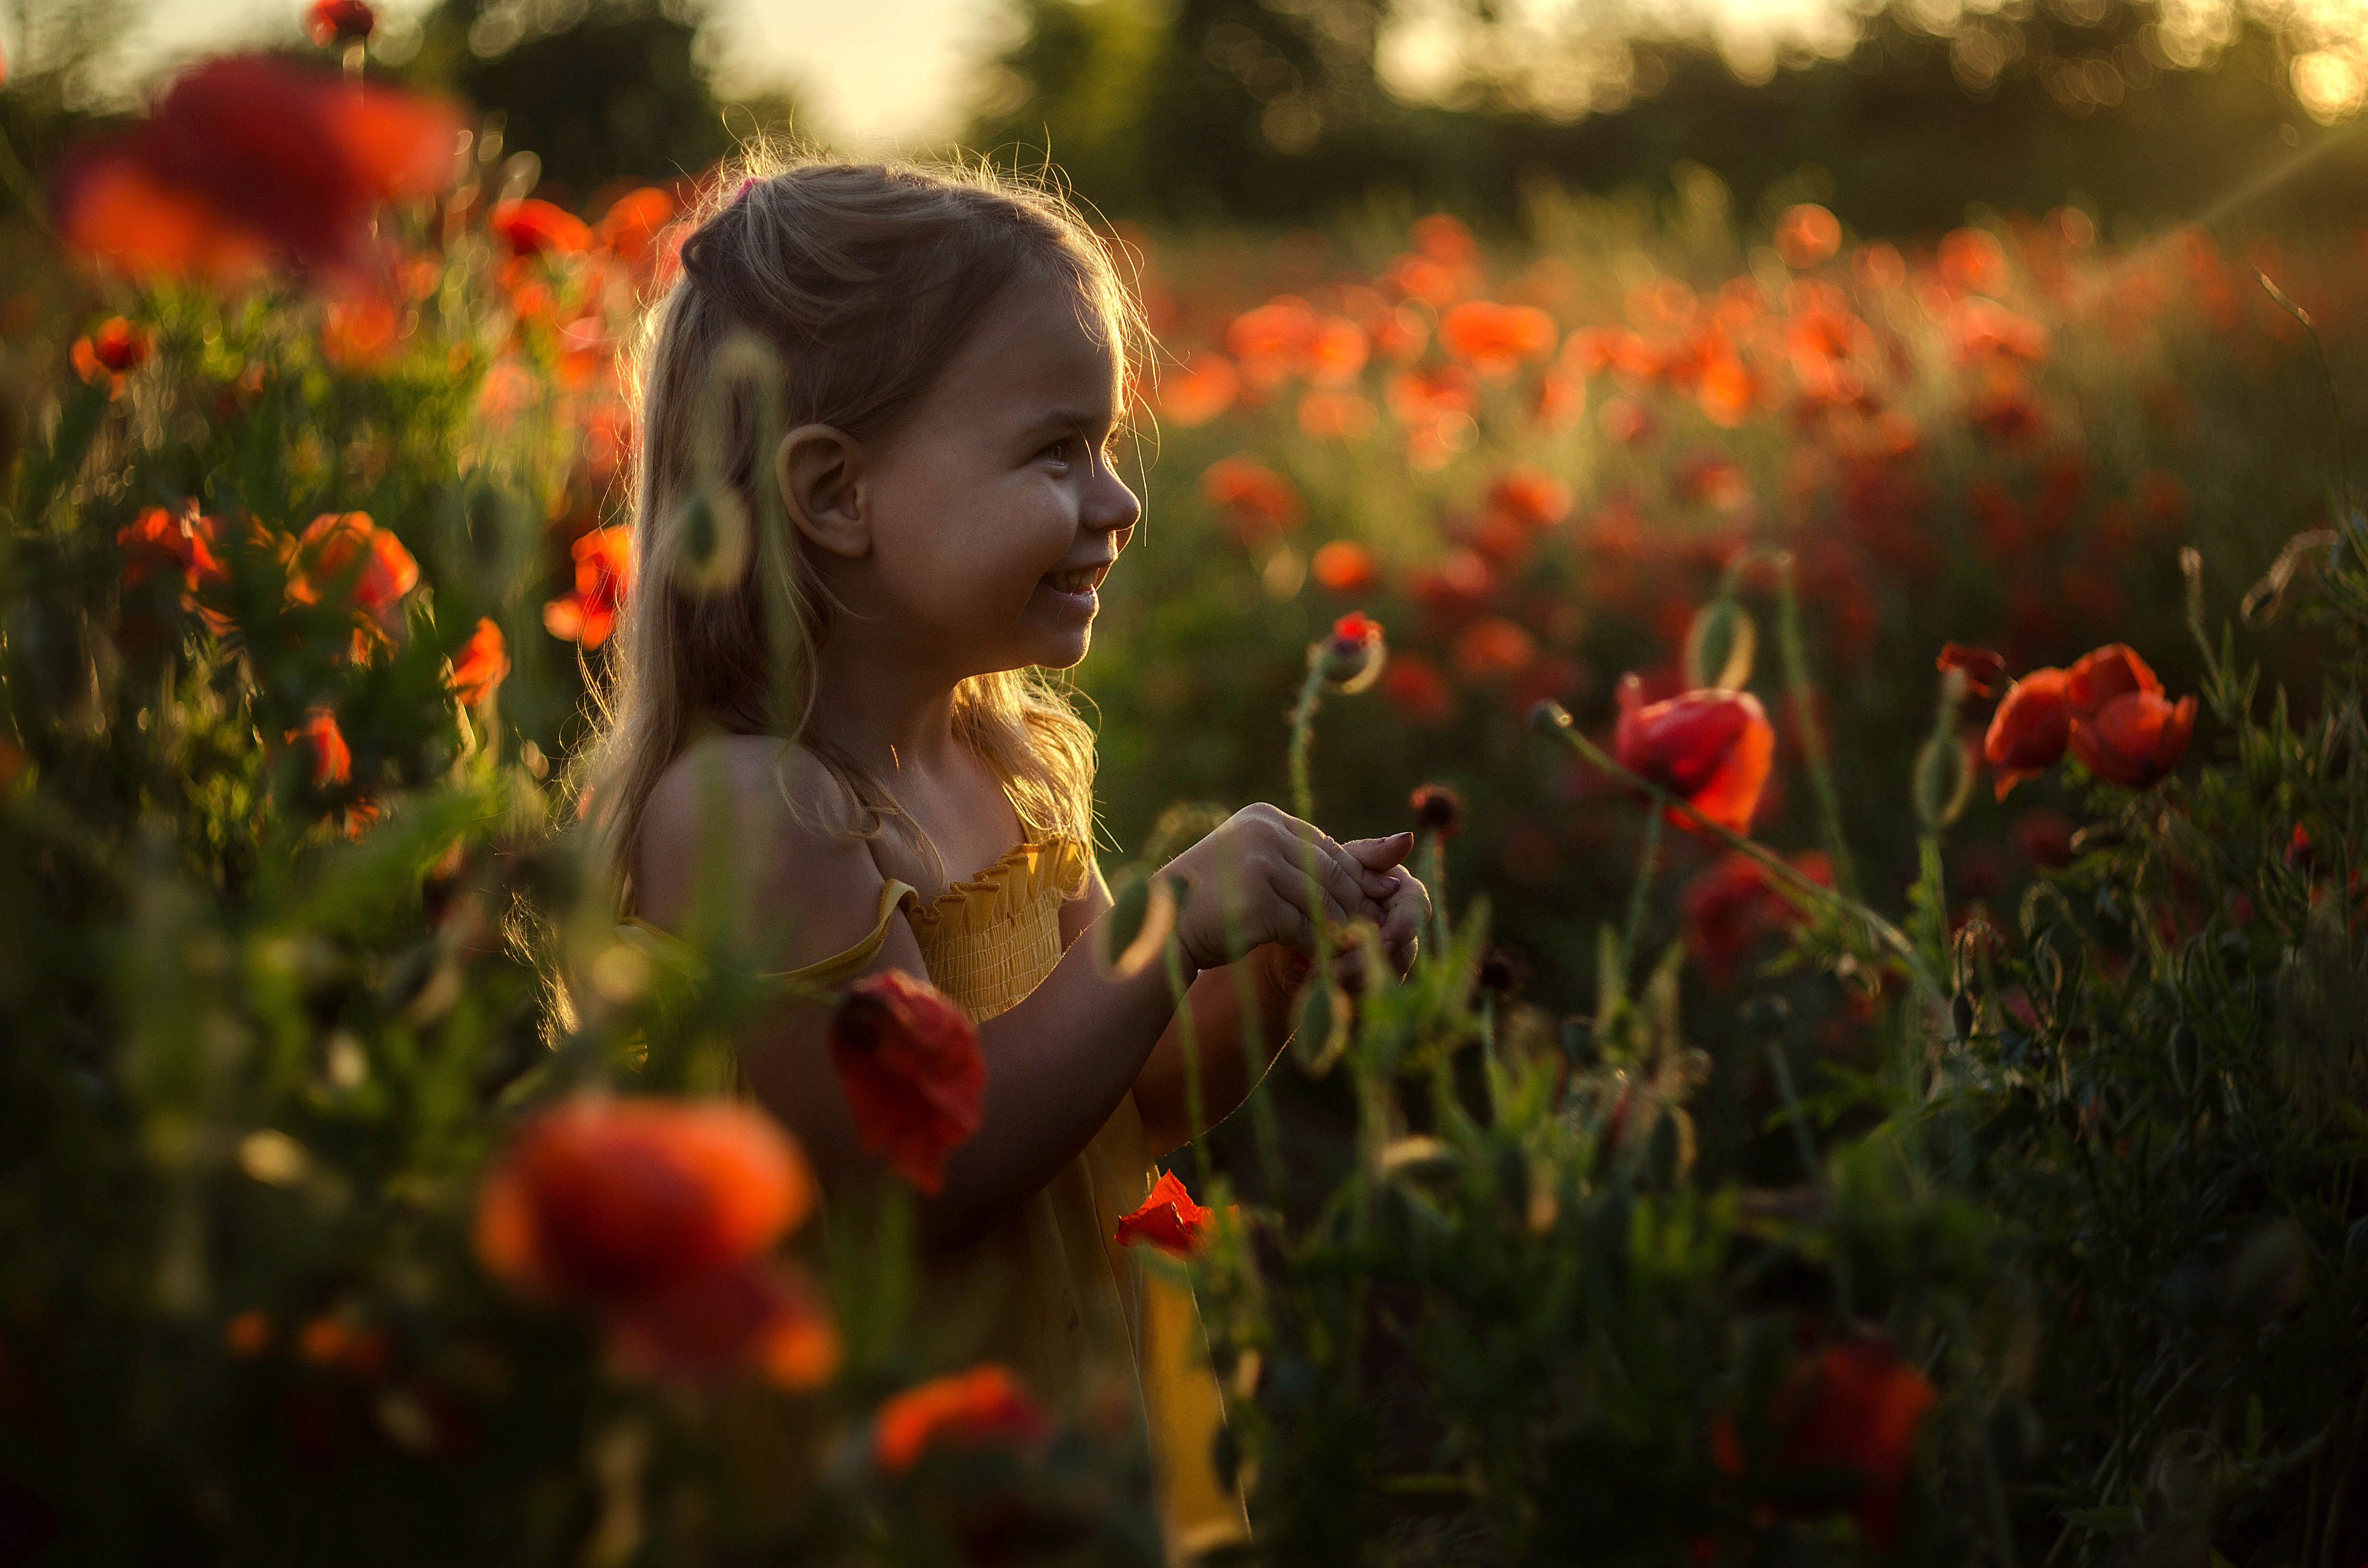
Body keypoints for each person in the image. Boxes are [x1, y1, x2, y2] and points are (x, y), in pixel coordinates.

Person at [575, 153, 1428, 1557]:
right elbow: (918, 1177)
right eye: (1055, 451)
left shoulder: (1006, 758)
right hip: (891, 1481)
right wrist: (1159, 931)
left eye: (1106, 445)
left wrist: (1274, 957)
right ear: (835, 495)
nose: (1118, 500)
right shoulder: (753, 811)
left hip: (1076, 1417)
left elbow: (1134, 1093)